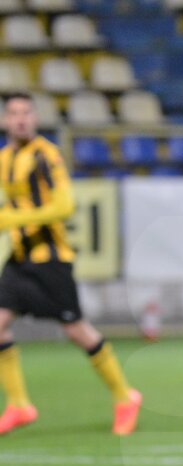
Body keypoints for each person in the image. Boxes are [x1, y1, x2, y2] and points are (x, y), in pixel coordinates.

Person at [0, 92, 141, 436]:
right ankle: (19, 405)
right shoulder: (4, 158)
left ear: (34, 118)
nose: (20, 119)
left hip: (51, 260)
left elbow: (65, 207)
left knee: (77, 330)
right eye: (13, 113)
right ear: (4, 120)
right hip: (19, 259)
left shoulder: (47, 156)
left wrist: (14, 218)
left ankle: (125, 397)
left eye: (26, 113)